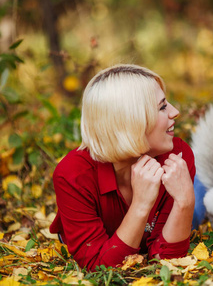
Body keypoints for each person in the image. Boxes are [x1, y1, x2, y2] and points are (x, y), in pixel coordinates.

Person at [50, 64, 198, 271]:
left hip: (182, 195)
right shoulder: (73, 174)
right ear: (132, 121)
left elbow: (166, 260)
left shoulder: (177, 156)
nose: (175, 112)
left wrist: (185, 202)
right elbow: (99, 266)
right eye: (162, 107)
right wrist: (140, 204)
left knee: (202, 204)